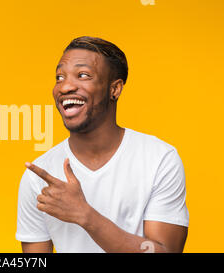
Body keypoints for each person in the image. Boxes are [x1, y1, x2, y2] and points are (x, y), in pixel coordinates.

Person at [15, 36, 189, 253]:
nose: (65, 86)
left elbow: (166, 252)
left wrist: (85, 215)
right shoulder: (38, 175)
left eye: (83, 75)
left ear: (114, 89)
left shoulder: (159, 158)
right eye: (59, 77)